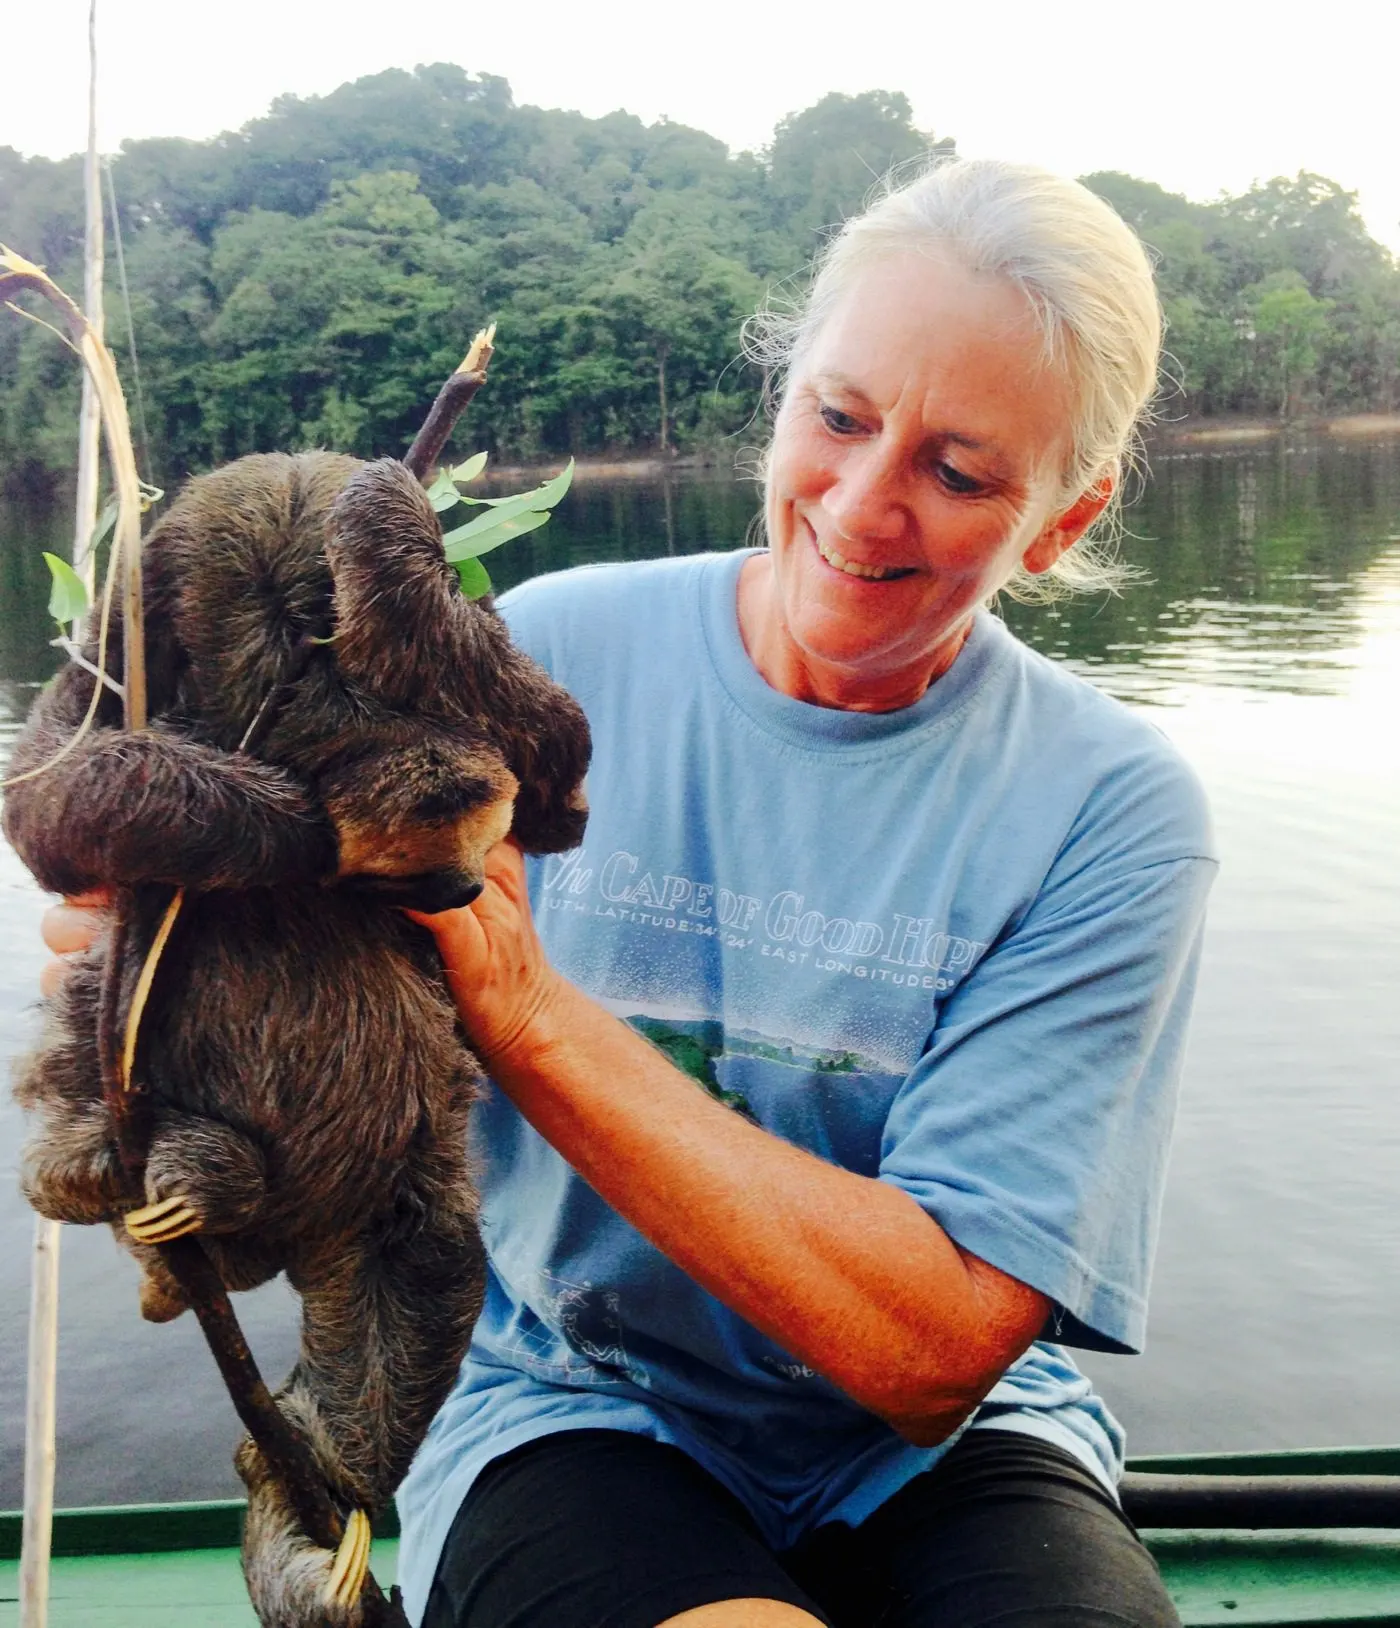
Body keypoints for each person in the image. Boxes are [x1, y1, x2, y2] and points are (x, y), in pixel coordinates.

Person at [41, 159, 1216, 1627]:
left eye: (960, 471)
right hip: (574, 1397)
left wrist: (529, 1011)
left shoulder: (1108, 811)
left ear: (1059, 519)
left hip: (955, 1452)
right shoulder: (553, 651)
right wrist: (187, 955)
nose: (862, 505)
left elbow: (933, 1351)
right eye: (838, 418)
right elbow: (354, 976)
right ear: (783, 398)